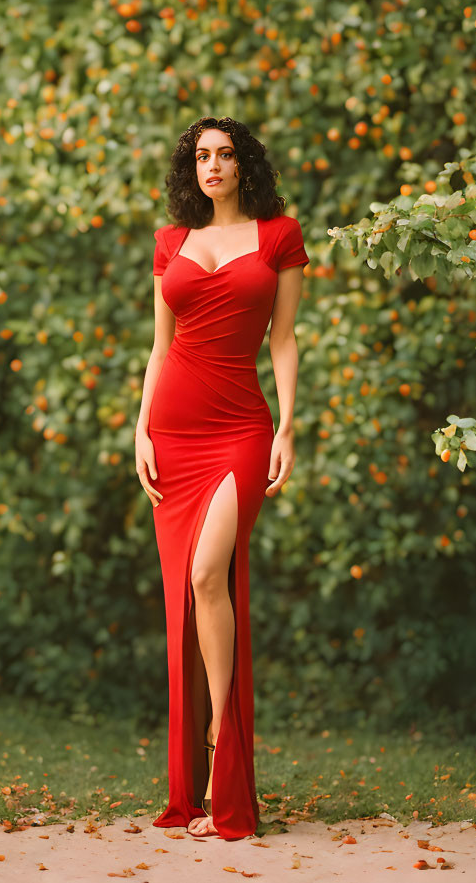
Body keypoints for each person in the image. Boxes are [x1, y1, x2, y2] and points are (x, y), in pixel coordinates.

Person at [134, 116, 309, 840]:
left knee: (210, 574)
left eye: (225, 154)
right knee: (184, 598)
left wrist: (290, 425)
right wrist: (139, 427)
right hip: (171, 432)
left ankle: (220, 757)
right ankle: (196, 782)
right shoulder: (170, 243)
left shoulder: (278, 236)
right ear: (192, 168)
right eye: (201, 155)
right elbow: (158, 347)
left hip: (240, 427)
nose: (212, 165)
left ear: (244, 165)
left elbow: (285, 337)